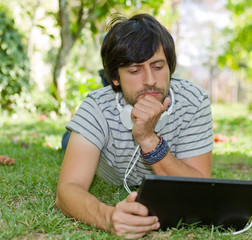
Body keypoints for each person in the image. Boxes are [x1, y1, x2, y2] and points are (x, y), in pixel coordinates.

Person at [55, 13, 214, 239]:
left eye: (158, 66)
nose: (150, 80)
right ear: (115, 77)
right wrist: (107, 217)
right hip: (103, 154)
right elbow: (67, 191)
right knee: (70, 140)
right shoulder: (96, 106)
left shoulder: (194, 101)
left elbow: (200, 190)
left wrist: (150, 140)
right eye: (135, 70)